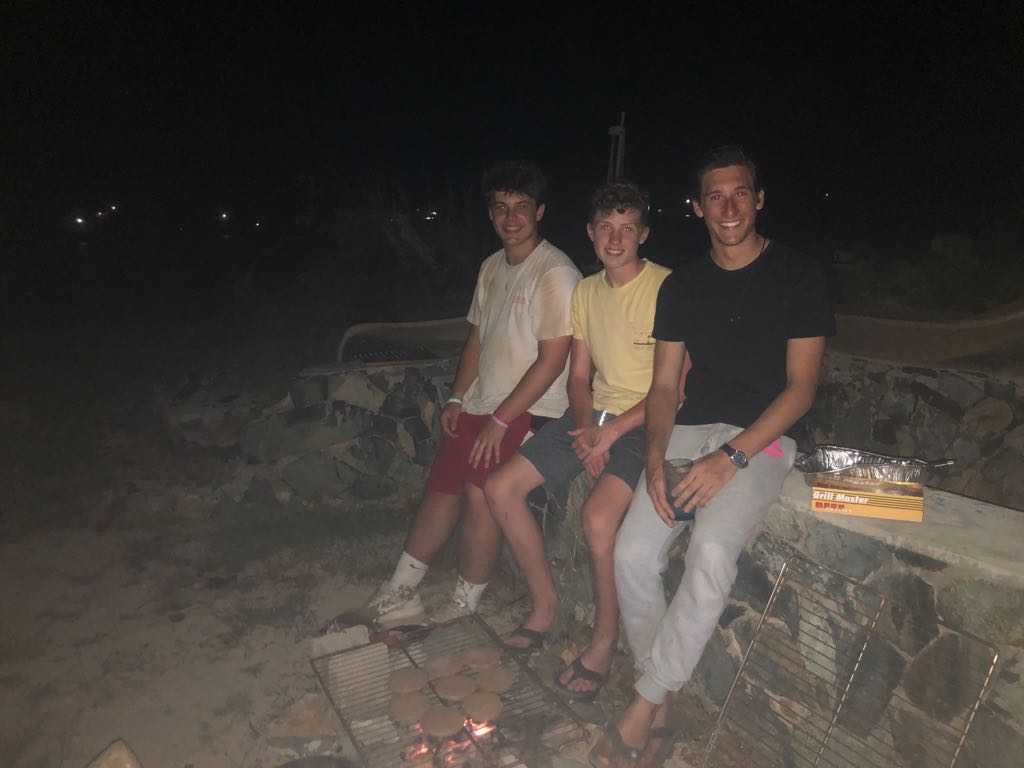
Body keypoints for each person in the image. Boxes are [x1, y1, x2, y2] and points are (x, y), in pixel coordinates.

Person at [590, 147, 835, 767]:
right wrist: (653, 460)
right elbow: (664, 387)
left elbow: (801, 389)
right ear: (698, 208)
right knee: (631, 554)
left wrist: (731, 457)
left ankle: (645, 706)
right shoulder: (682, 285)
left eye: (740, 193)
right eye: (715, 196)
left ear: (759, 199)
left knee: (711, 552)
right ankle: (662, 692)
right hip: (688, 430)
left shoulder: (799, 274)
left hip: (764, 439)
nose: (729, 207)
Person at [325, 160, 581, 631]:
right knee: (441, 488)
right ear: (490, 212)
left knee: (478, 492)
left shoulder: (555, 272)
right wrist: (458, 397)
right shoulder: (491, 267)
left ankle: (465, 602)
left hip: (531, 409)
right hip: (483, 402)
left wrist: (500, 421)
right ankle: (400, 593)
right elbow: (477, 338)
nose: (510, 217)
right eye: (500, 207)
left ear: (540, 211)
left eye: (521, 206)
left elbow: (552, 362)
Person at [485, 179, 670, 700]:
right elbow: (578, 376)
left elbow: (675, 387)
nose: (615, 239)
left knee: (597, 517)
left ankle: (604, 641)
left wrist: (610, 434)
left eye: (627, 229)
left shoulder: (666, 288)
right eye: (605, 228)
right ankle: (544, 608)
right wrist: (589, 429)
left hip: (644, 422)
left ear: (644, 234)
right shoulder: (586, 292)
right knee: (500, 488)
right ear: (590, 232)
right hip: (592, 416)